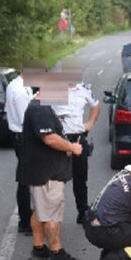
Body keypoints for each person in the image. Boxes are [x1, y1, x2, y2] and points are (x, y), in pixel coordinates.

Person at [19, 91, 83, 260]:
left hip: (38, 171)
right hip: (47, 174)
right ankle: (56, 252)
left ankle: (39, 247)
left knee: (39, 210)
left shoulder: (37, 107)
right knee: (51, 214)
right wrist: (73, 147)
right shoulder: (40, 110)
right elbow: (50, 138)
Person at [52, 81, 100, 224]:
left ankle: (82, 211)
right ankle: (52, 214)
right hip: (61, 139)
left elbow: (95, 105)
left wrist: (90, 123)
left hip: (79, 138)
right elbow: (40, 107)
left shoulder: (84, 88)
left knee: (80, 178)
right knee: (56, 179)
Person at [5, 71, 34, 235]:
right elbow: (27, 118)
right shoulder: (21, 90)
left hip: (16, 135)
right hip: (23, 136)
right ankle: (25, 221)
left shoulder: (14, 84)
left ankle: (26, 216)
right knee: (26, 179)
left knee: (25, 177)